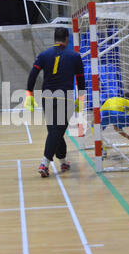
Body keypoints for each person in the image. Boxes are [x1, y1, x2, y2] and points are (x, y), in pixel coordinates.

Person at [25, 28, 85, 178]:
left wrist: (29, 93)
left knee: (55, 131)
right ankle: (44, 163)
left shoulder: (44, 55)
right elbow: (81, 80)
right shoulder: (75, 56)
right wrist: (81, 99)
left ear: (54, 39)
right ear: (66, 39)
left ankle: (63, 161)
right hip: (66, 98)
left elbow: (33, 74)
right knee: (56, 131)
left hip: (47, 98)